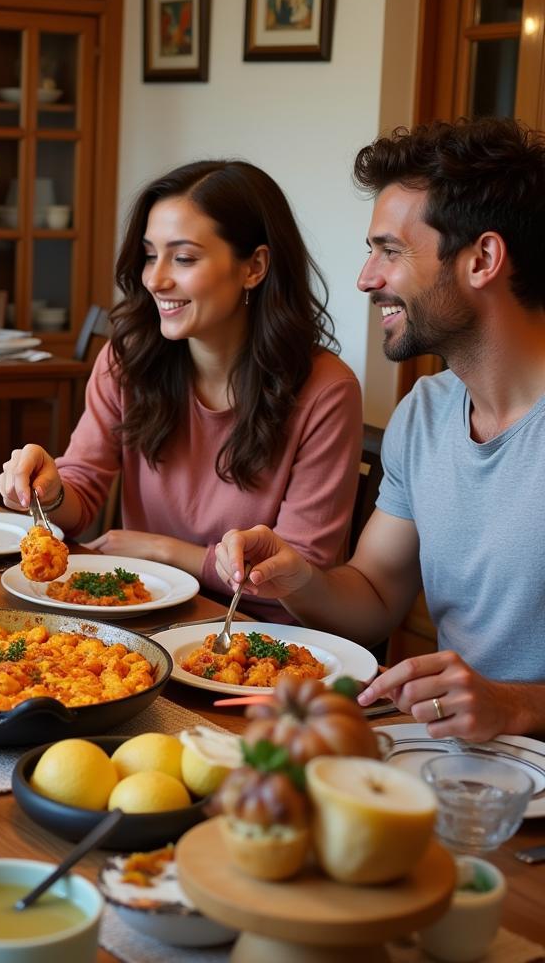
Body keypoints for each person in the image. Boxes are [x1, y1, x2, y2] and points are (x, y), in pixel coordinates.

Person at [215, 118, 545, 740]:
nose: (367, 278)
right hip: (441, 759)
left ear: (483, 259)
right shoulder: (424, 413)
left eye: (390, 251)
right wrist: (300, 578)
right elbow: (372, 595)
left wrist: (519, 705)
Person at [0, 159, 363, 621]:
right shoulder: (128, 360)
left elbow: (297, 571)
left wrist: (163, 551)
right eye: (151, 255)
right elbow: (81, 496)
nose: (155, 278)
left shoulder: (326, 390)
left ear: (254, 266)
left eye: (184, 258)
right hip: (138, 619)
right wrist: (49, 490)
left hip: (254, 642)